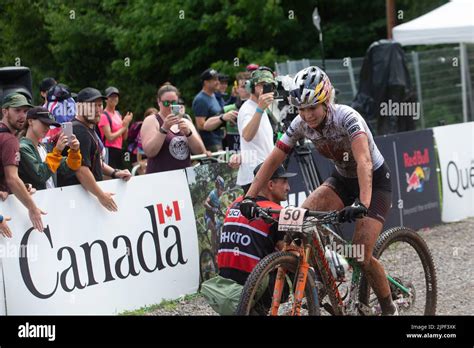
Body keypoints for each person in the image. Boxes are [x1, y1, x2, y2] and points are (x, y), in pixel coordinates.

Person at [240, 66, 397, 315]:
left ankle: (389, 308)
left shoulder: (347, 118)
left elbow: (365, 162)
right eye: (301, 109)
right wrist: (249, 197)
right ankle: (325, 282)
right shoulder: (300, 124)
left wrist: (362, 204)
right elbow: (272, 160)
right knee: (296, 225)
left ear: (326, 102)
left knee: (359, 255)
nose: (307, 115)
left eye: (312, 108)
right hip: (343, 179)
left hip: (374, 181)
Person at [57, 87, 132, 212]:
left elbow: (94, 161)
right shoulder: (79, 131)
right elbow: (81, 170)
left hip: (86, 197)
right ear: (79, 107)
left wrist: (115, 172)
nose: (98, 110)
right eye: (93, 105)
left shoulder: (88, 128)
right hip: (77, 200)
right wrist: (101, 196)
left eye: (100, 105)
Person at [218, 164, 294, 285]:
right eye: (284, 182)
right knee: (294, 258)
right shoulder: (276, 212)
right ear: (270, 185)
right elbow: (289, 255)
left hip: (223, 281)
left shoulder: (236, 203)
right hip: (252, 285)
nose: (288, 187)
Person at [0, 93, 46, 232]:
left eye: (25, 111)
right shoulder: (9, 140)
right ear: (5, 111)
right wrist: (32, 208)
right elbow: (12, 179)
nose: (22, 116)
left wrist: (7, 188)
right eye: (17, 110)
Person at [141, 83, 207, 174]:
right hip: (159, 178)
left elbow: (200, 151)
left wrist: (188, 133)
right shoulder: (152, 120)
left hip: (183, 177)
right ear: (158, 102)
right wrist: (164, 128)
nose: (170, 106)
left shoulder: (185, 121)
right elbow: (150, 152)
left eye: (174, 103)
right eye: (166, 103)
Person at [18, 107, 82, 190]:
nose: (47, 128)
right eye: (44, 123)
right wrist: (57, 151)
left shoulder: (43, 147)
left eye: (49, 125)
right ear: (30, 121)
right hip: (35, 200)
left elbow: (69, 168)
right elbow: (40, 176)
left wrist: (74, 151)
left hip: (50, 199)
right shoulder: (23, 148)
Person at [237, 67, 277, 194]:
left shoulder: (262, 108)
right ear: (251, 87)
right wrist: (260, 109)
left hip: (264, 173)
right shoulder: (248, 109)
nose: (265, 88)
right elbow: (247, 135)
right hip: (253, 176)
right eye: (261, 85)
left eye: (269, 85)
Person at [192, 68, 237, 151]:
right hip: (210, 144)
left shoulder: (213, 96)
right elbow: (201, 125)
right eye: (214, 80)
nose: (218, 82)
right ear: (206, 82)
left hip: (219, 140)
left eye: (217, 79)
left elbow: (219, 112)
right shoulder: (201, 99)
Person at [98, 87, 133, 169]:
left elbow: (124, 137)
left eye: (116, 96)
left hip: (118, 149)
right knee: (109, 176)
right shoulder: (104, 115)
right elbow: (109, 137)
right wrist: (124, 127)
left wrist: (126, 123)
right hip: (108, 149)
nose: (114, 99)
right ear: (106, 99)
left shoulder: (117, 114)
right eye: (111, 96)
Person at [203, 176, 226, 254]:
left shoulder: (220, 197)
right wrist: (212, 208)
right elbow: (205, 203)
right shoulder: (213, 193)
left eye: (223, 189)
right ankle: (213, 250)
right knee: (213, 229)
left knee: (221, 225)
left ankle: (219, 245)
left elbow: (219, 210)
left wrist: (225, 215)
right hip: (208, 216)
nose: (222, 191)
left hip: (214, 217)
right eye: (221, 189)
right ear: (217, 187)